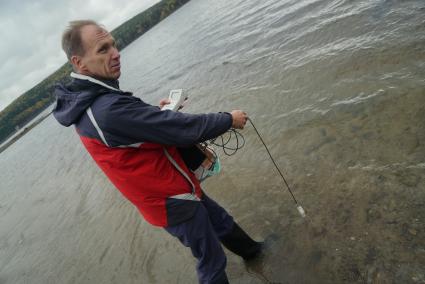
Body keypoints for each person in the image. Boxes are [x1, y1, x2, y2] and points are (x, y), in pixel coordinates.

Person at [53, 20, 262, 284]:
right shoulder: (105, 109)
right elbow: (182, 129)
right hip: (170, 198)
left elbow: (133, 133)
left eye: (114, 44)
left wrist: (160, 114)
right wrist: (228, 119)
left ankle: (256, 253)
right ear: (80, 63)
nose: (116, 53)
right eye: (103, 49)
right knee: (212, 261)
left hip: (173, 187)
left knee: (219, 220)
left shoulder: (91, 101)